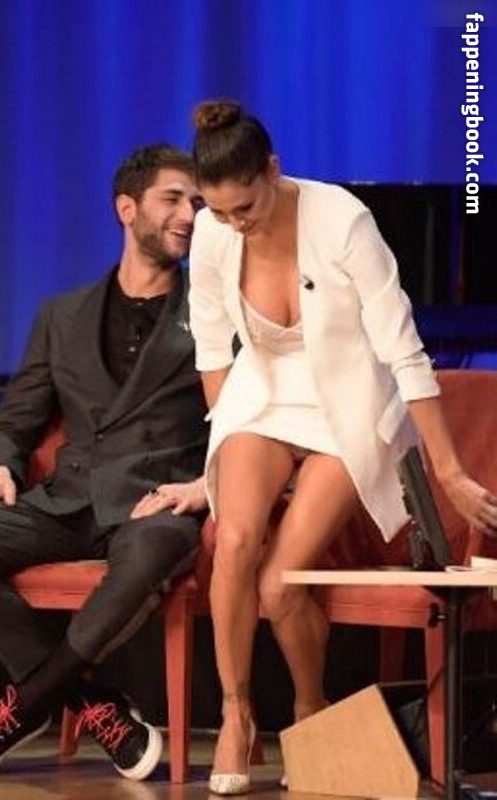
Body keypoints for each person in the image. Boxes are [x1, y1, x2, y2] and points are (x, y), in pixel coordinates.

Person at [188, 99, 497, 795]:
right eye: (222, 212)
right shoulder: (212, 231)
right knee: (234, 539)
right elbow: (211, 348)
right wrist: (227, 449)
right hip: (261, 393)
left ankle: (309, 709)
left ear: (273, 170)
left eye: (245, 207)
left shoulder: (343, 220)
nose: (235, 223)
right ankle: (237, 714)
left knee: (279, 585)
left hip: (345, 401)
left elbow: (402, 349)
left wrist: (448, 470)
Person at [0, 144, 209, 780]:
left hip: (157, 500)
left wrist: (206, 485)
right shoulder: (61, 314)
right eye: (173, 199)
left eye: (197, 202)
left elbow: (242, 416)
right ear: (127, 208)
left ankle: (24, 706)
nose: (190, 214)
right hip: (66, 499)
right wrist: (0, 466)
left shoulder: (213, 310)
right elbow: (15, 418)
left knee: (152, 552)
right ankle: (92, 704)